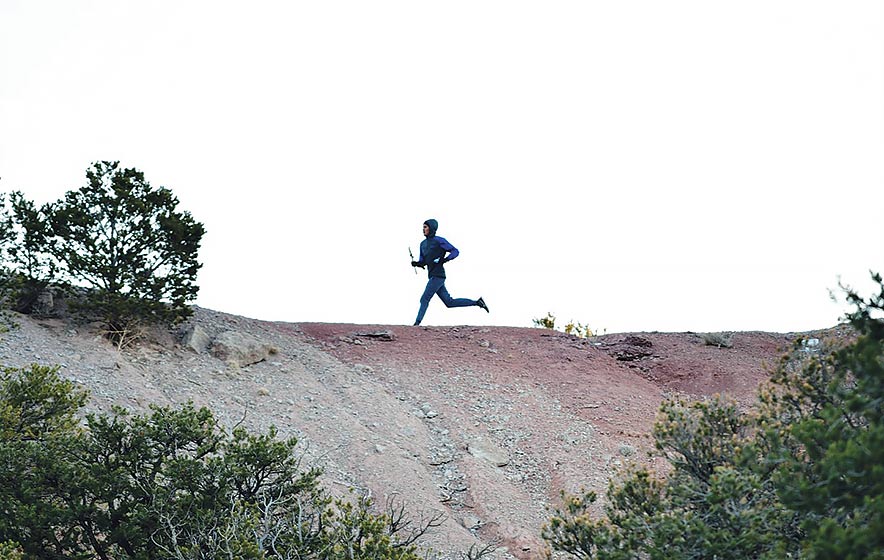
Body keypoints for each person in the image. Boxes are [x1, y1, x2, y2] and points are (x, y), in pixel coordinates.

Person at [411, 218, 489, 326]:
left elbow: (455, 251)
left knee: (424, 299)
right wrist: (417, 263)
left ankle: (416, 324)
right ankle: (477, 302)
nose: (423, 229)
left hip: (438, 276)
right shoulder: (422, 244)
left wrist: (445, 259)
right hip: (432, 276)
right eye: (423, 227)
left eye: (425, 227)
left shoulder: (439, 240)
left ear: (432, 228)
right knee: (449, 302)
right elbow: (423, 261)